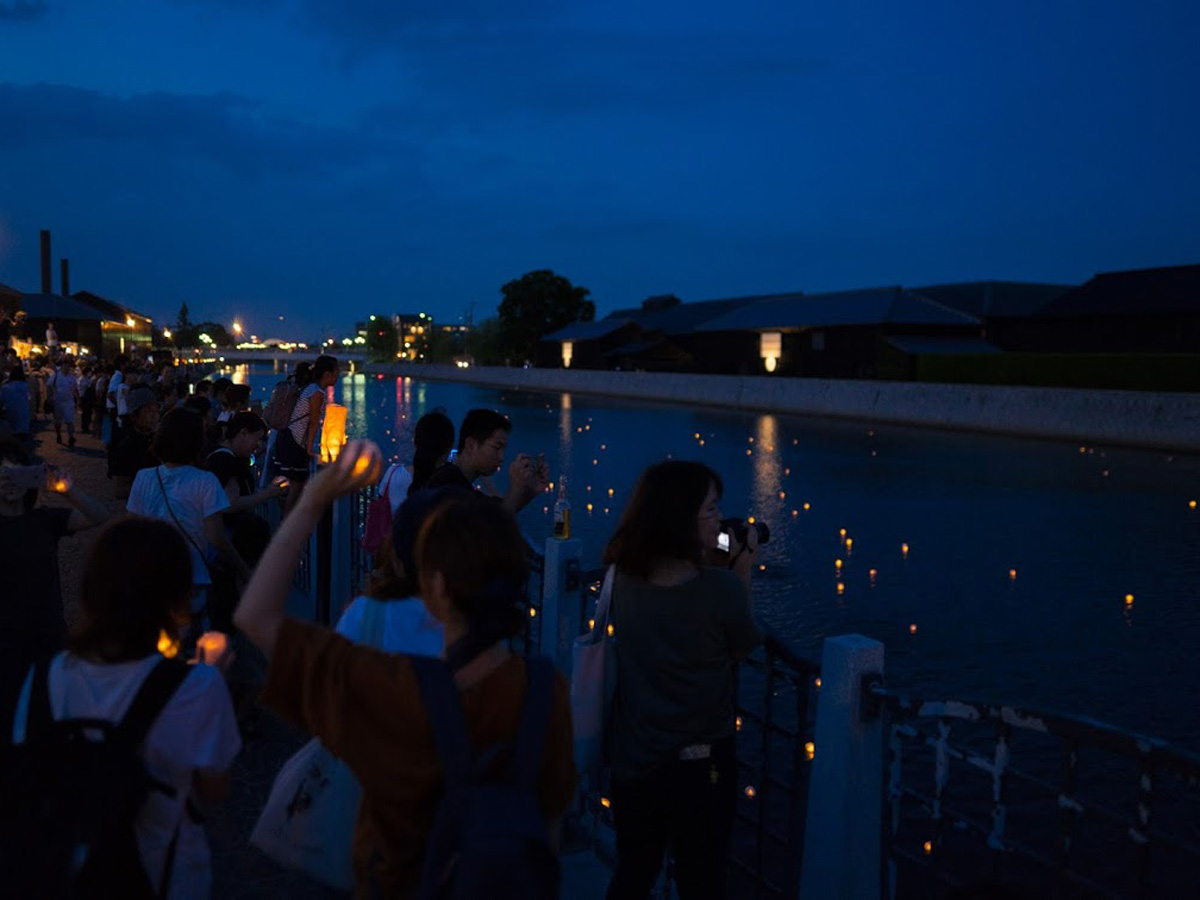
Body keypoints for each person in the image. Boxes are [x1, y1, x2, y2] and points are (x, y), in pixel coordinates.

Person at [234, 441, 576, 896]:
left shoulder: (392, 687)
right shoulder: (542, 690)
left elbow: (254, 617)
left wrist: (314, 498)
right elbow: (548, 829)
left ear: (435, 585)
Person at [8, 517, 241, 899]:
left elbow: (27, 765)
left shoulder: (45, 676)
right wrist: (213, 681)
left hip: (59, 872)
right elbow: (211, 791)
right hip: (166, 874)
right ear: (177, 596)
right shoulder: (197, 686)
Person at [602, 460, 762, 900]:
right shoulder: (721, 590)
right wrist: (743, 568)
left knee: (635, 868)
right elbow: (743, 643)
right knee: (703, 880)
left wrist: (709, 557)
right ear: (680, 519)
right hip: (702, 764)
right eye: (710, 510)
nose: (718, 518)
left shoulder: (624, 578)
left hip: (634, 757)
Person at [0, 440, 110, 728]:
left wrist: (66, 488)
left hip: (48, 633)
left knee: (48, 717)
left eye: (17, 473)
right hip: (6, 642)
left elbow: (98, 515)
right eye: (2, 475)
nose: (9, 481)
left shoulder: (45, 520)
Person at [127, 408, 252, 631]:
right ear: (196, 442)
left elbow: (132, 531)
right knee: (189, 644)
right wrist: (243, 569)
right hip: (190, 575)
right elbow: (216, 538)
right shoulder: (205, 481)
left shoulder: (143, 477)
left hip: (151, 574)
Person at [424, 408, 548, 513]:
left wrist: (529, 491)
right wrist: (515, 486)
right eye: (496, 448)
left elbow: (498, 510)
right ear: (471, 445)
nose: (501, 457)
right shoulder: (447, 484)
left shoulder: (460, 483)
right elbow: (493, 526)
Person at [276, 355, 338, 514]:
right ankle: (288, 528)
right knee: (296, 486)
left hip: (288, 438)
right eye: (336, 372)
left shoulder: (310, 388)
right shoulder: (317, 393)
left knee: (290, 486)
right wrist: (309, 448)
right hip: (295, 442)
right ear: (327, 375)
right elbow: (313, 422)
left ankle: (285, 525)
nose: (338, 375)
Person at [109, 386, 161, 497]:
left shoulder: (162, 440)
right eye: (148, 411)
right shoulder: (126, 446)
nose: (154, 416)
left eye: (156, 411)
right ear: (134, 416)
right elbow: (120, 490)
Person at [48, 357, 79, 447]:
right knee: (58, 422)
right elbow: (49, 385)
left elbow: (75, 389)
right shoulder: (56, 376)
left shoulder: (72, 378)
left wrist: (78, 400)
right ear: (61, 366)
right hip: (58, 401)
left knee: (70, 421)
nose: (67, 368)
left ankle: (71, 437)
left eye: (68, 366)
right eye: (65, 366)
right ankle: (58, 435)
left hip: (69, 402)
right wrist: (50, 397)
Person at [0, 365, 31, 444]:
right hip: (23, 412)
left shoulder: (5, 387)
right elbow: (29, 398)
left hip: (11, 412)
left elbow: (1, 400)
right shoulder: (25, 386)